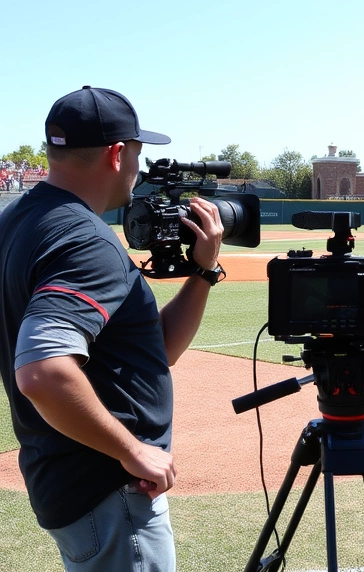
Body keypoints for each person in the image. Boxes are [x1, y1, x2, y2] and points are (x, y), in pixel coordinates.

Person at [0, 86, 226, 571]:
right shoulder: (84, 239)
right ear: (117, 153)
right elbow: (42, 372)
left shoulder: (17, 220)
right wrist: (132, 450)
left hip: (64, 478)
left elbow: (153, 353)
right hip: (108, 491)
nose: (138, 172)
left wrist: (203, 274)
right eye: (138, 156)